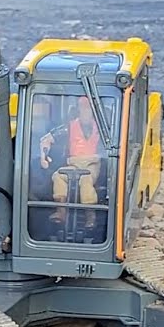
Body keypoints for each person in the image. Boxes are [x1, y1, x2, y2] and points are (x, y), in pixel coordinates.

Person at [38, 96, 105, 230]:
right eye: (83, 108)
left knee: (86, 179)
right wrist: (43, 157)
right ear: (78, 110)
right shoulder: (69, 127)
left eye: (88, 108)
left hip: (92, 163)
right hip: (73, 163)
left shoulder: (103, 129)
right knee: (59, 176)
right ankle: (61, 211)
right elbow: (46, 139)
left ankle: (90, 215)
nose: (85, 111)